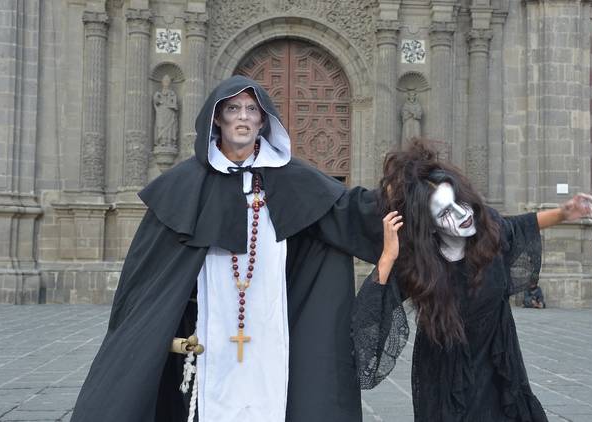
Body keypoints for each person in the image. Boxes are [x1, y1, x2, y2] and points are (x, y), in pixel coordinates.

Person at [71, 76, 382, 422]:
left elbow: (348, 211)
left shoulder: (294, 178)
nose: (243, 117)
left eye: (252, 109)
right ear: (217, 118)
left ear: (264, 121)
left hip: (271, 321)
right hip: (210, 325)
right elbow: (149, 277)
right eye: (233, 108)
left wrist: (418, 195)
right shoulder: (184, 186)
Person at [352, 140, 592, 422]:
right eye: (444, 213)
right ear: (428, 226)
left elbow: (519, 225)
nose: (461, 214)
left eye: (459, 200)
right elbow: (370, 319)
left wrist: (564, 213)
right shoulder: (420, 266)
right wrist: (387, 258)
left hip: (498, 361)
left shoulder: (489, 231)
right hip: (446, 377)